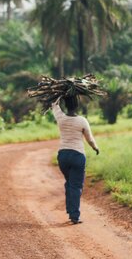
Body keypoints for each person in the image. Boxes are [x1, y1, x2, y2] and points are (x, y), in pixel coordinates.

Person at [52, 95, 100, 225]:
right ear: (77, 105)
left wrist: (59, 95)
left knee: (69, 183)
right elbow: (89, 139)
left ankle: (70, 210)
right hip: (77, 156)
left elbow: (54, 106)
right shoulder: (82, 121)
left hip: (63, 156)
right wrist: (95, 148)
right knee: (75, 185)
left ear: (66, 105)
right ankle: (74, 215)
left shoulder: (60, 118)